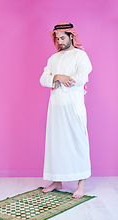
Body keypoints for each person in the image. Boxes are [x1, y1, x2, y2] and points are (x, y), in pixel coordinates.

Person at [40, 22, 92, 198]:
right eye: (57, 38)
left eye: (63, 38)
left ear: (72, 36)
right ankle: (57, 180)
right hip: (55, 107)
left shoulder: (80, 55)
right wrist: (56, 76)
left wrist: (59, 80)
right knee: (56, 144)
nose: (60, 41)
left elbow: (82, 76)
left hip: (73, 106)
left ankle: (81, 182)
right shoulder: (53, 59)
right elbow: (43, 78)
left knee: (78, 142)